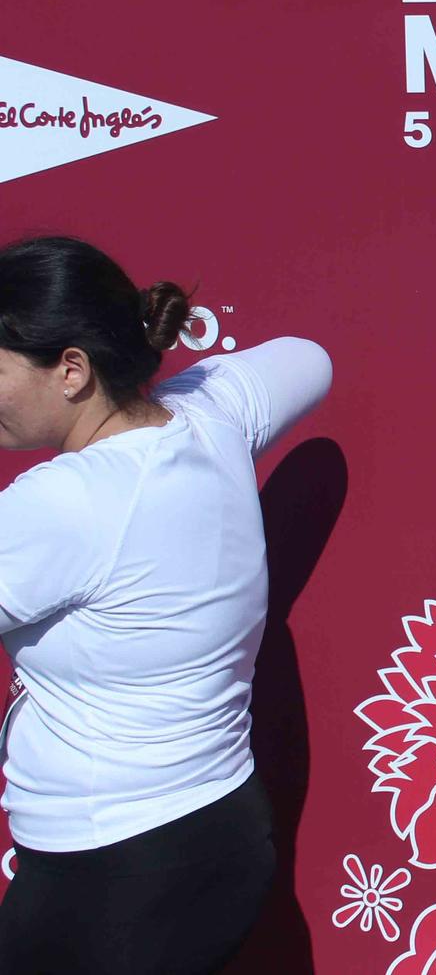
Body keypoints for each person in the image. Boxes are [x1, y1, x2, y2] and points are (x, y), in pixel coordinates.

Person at [0, 235, 332, 974]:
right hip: (224, 838)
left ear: (73, 370)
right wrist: (179, 395)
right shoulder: (214, 416)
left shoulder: (58, 505)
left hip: (106, 875)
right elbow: (310, 359)